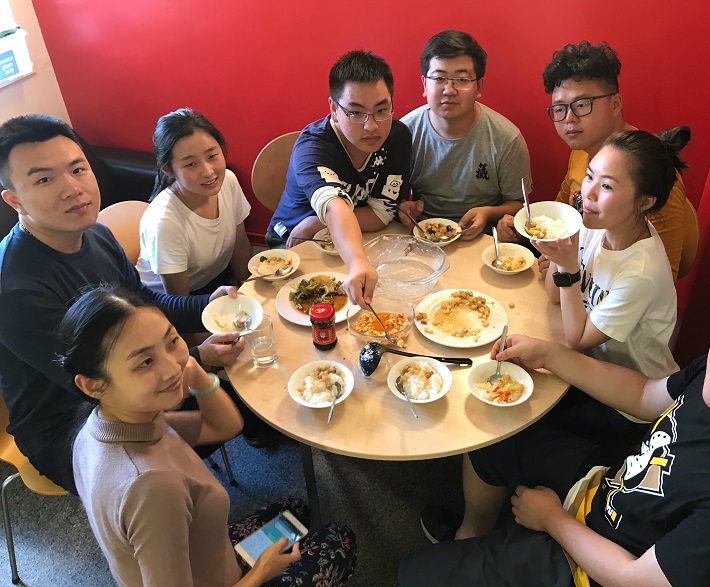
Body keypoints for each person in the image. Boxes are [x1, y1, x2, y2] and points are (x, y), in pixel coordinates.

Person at [400, 264, 710, 587]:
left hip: (604, 579)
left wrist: (553, 520)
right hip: (610, 487)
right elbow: (645, 395)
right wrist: (550, 354)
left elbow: (640, 586)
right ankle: (471, 538)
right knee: (496, 436)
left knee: (414, 578)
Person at [420, 127, 686, 546]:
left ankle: (470, 538)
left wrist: (568, 269)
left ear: (645, 202)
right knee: (497, 388)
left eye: (607, 186)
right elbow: (554, 297)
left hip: (626, 403)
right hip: (585, 367)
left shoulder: (641, 271)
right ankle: (481, 522)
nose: (588, 192)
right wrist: (558, 258)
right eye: (591, 175)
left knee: (495, 431)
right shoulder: (596, 225)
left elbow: (576, 336)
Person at [59, 286, 356, 587]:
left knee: (294, 510)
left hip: (208, 559)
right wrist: (260, 573)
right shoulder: (152, 486)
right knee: (339, 539)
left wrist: (192, 368)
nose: (171, 366)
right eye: (144, 362)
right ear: (93, 385)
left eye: (172, 341)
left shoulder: (106, 424)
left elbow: (225, 425)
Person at [0, 114, 244, 494]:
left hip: (133, 381)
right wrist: (197, 356)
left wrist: (207, 306)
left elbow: (145, 305)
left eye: (77, 169)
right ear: (14, 199)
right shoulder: (15, 289)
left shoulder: (96, 234)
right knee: (214, 425)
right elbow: (94, 382)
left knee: (240, 405)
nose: (72, 189)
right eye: (44, 179)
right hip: (74, 423)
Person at [498, 40, 688, 280]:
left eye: (581, 105)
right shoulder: (581, 151)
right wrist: (524, 232)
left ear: (615, 104)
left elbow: (663, 277)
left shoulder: (650, 172)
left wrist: (570, 270)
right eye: (559, 108)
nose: (569, 118)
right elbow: (561, 217)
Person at [267, 50, 412, 307]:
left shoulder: (397, 136)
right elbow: (334, 206)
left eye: (381, 110)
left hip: (353, 238)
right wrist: (356, 261)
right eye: (356, 113)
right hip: (294, 244)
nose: (371, 126)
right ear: (334, 109)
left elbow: (381, 214)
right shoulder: (313, 147)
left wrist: (318, 223)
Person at [398, 30, 530, 240]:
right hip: (422, 236)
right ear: (424, 84)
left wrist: (488, 213)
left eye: (461, 79)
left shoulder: (506, 137)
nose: (449, 90)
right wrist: (403, 208)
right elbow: (389, 197)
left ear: (479, 86)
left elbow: (519, 204)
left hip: (485, 240)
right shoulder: (403, 133)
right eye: (439, 78)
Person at [137, 109, 252, 295]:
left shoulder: (228, 181)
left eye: (212, 156)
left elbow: (240, 246)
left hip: (216, 283)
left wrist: (249, 294)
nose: (208, 172)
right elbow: (178, 302)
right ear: (168, 170)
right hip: (170, 302)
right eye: (190, 164)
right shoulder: (165, 222)